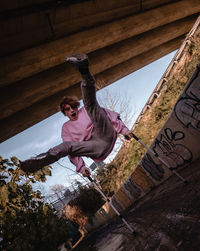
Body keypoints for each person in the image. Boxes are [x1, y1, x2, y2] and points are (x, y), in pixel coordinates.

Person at [20, 54, 133, 177]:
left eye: (73, 107)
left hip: (105, 133)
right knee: (67, 145)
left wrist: (124, 131)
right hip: (94, 147)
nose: (72, 110)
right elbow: (72, 150)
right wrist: (82, 167)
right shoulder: (66, 128)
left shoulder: (86, 110)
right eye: (68, 109)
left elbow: (110, 116)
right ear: (65, 113)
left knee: (91, 105)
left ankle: (84, 70)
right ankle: (44, 158)